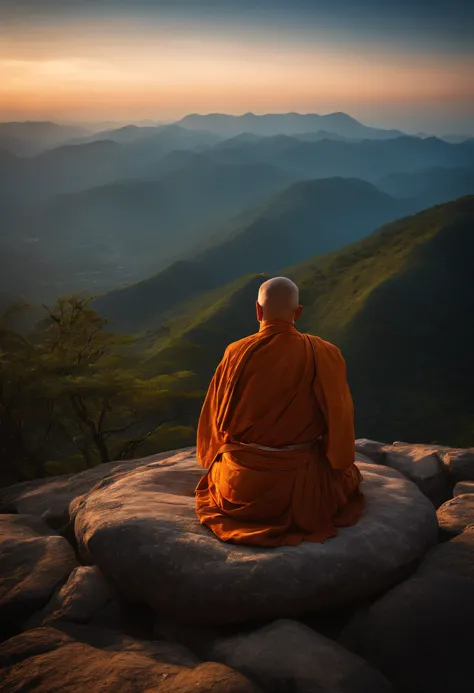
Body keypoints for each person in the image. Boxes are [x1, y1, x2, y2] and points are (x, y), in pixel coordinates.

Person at [195, 276, 364, 546]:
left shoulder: (235, 352)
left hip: (240, 490)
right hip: (302, 488)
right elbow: (340, 431)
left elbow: (214, 424)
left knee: (218, 471)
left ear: (258, 311)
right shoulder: (325, 352)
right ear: (298, 313)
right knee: (350, 477)